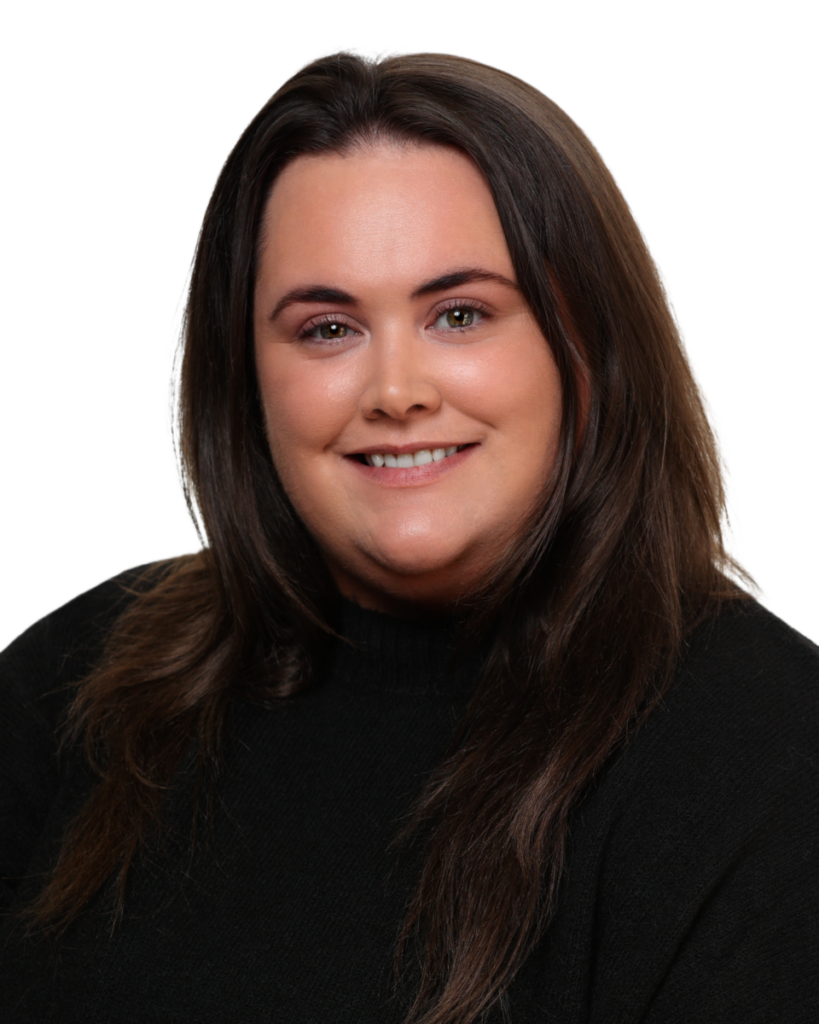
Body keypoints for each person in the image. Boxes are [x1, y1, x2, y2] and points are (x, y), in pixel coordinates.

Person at [1, 45, 817, 1024]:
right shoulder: (79, 678)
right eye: (326, 329)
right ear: (246, 376)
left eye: (460, 314)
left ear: (588, 347)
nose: (395, 392)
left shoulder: (768, 742)